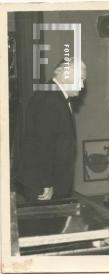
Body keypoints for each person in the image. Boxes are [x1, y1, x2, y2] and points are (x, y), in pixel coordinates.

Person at [17, 59, 87, 201]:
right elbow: (44, 144)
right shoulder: (51, 100)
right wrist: (46, 183)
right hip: (44, 185)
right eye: (80, 79)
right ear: (65, 75)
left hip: (46, 181)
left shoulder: (52, 94)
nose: (82, 85)